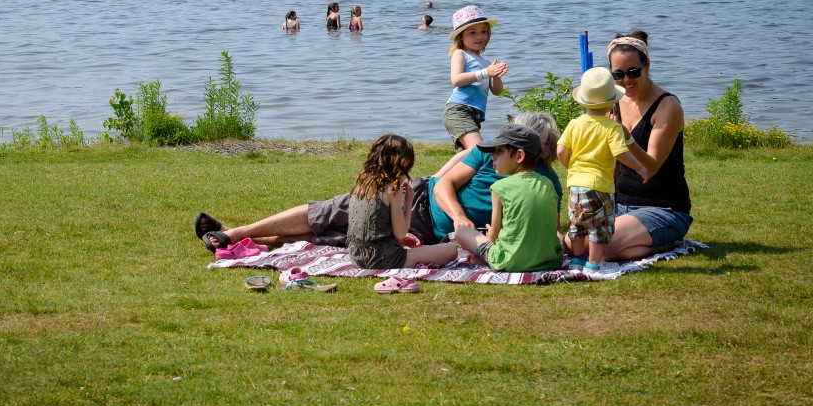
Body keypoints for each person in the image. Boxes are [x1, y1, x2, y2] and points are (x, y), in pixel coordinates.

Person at [195, 113, 563, 253]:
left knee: (338, 238)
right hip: (419, 196)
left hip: (429, 234)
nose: (497, 150)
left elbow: (541, 222)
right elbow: (443, 185)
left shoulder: (545, 184)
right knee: (334, 210)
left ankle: (245, 241)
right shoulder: (485, 156)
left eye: (505, 146)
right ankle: (237, 233)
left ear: (527, 152)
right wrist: (459, 217)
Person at [604, 30, 693, 261]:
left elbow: (651, 167)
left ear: (647, 66)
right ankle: (638, 245)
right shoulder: (614, 102)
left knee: (602, 248)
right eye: (618, 75)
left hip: (663, 208)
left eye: (633, 72)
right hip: (620, 204)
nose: (626, 80)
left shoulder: (668, 106)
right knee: (575, 244)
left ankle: (667, 244)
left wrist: (627, 138)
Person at [557, 67, 650, 277]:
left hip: (575, 185)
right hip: (600, 186)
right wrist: (639, 167)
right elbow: (621, 153)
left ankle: (576, 261)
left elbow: (560, 150)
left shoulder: (574, 124)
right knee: (599, 226)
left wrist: (570, 166)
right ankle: (594, 264)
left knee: (577, 224)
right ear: (612, 103)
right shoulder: (612, 128)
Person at [453, 124, 563, 272]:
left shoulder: (499, 187)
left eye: (499, 151)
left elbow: (492, 238)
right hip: (549, 261)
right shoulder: (548, 184)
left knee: (462, 231)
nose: (493, 156)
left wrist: (487, 243)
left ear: (519, 156)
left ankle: (488, 258)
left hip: (508, 262)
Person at [347, 135, 459, 270]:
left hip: (357, 257)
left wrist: (397, 240)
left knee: (408, 248)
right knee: (451, 250)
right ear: (402, 166)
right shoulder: (392, 189)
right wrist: (408, 202)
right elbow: (401, 232)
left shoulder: (361, 185)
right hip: (382, 260)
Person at [443, 5, 509, 152]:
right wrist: (486, 72)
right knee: (477, 150)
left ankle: (453, 169)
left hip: (474, 114)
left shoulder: (485, 63)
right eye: (472, 32)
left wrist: (495, 76)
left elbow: (497, 91)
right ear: (460, 36)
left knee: (470, 154)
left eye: (483, 31)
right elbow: (456, 80)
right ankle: (445, 170)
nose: (479, 36)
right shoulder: (460, 54)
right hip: (458, 109)